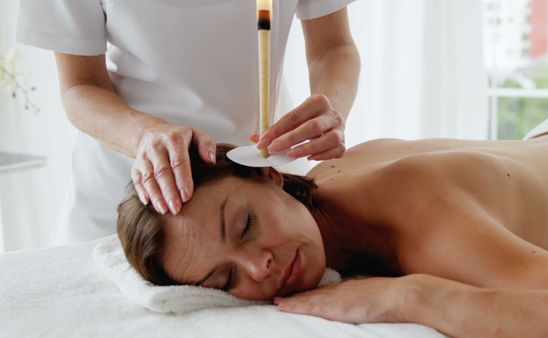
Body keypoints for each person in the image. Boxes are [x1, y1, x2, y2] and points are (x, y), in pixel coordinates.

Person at [117, 90, 548, 337]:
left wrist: (411, 295)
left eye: (246, 226)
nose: (260, 268)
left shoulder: (419, 215)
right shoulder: (325, 191)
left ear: (270, 173)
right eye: (225, 277)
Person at [16, 0, 360, 245]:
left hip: (261, 197)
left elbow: (333, 47)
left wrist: (332, 110)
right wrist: (144, 136)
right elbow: (80, 86)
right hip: (135, 194)